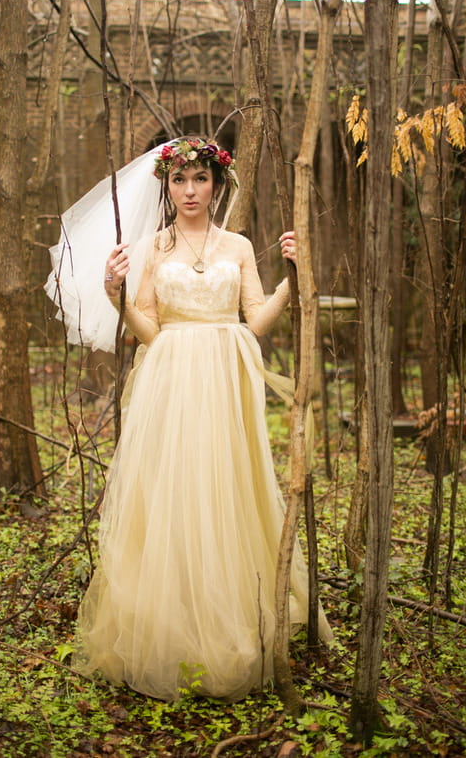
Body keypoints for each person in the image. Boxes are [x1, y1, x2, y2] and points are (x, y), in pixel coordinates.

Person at [46, 136, 332, 701]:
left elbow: (255, 322)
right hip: (171, 380)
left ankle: (233, 611)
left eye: (200, 179)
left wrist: (291, 280)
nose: (190, 190)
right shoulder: (152, 247)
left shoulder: (241, 246)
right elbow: (147, 328)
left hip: (228, 379)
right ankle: (172, 621)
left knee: (226, 488)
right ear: (167, 186)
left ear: (217, 184)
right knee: (175, 492)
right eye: (180, 180)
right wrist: (115, 294)